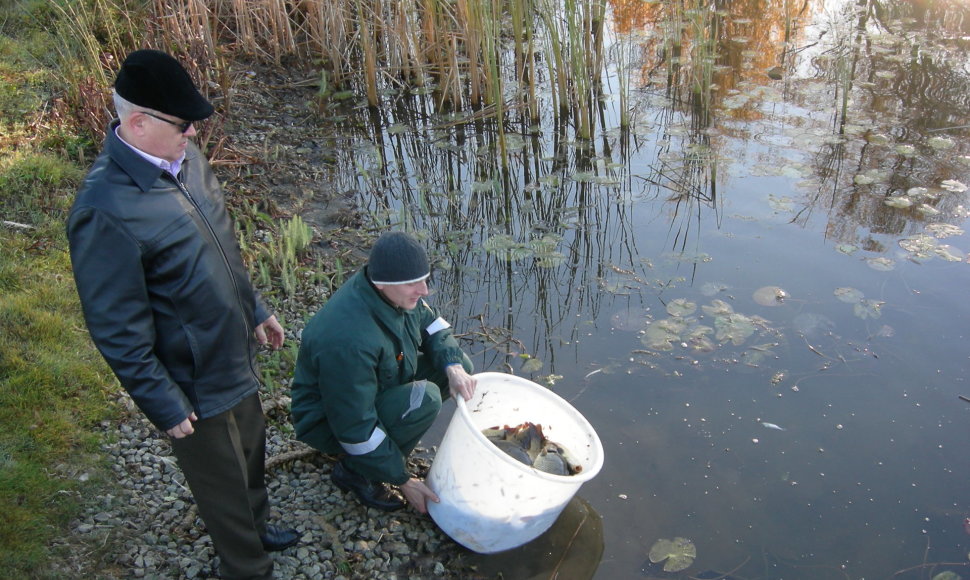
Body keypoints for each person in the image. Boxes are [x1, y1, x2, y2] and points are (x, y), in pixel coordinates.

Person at [67, 49, 298, 580]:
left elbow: (223, 245)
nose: (193, 132)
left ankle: (259, 525)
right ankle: (246, 566)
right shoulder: (104, 210)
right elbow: (115, 329)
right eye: (182, 123)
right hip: (192, 381)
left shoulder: (184, 160)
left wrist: (256, 308)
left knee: (251, 450)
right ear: (138, 122)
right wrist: (163, 403)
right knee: (219, 481)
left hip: (233, 347)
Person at [291, 231, 477, 513]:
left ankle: (391, 438)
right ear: (381, 284)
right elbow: (354, 426)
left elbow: (433, 326)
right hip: (331, 421)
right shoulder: (348, 341)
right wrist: (402, 479)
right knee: (424, 398)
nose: (424, 290)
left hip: (375, 384)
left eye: (425, 279)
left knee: (461, 366)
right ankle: (356, 473)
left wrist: (453, 366)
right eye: (414, 283)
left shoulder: (394, 293)